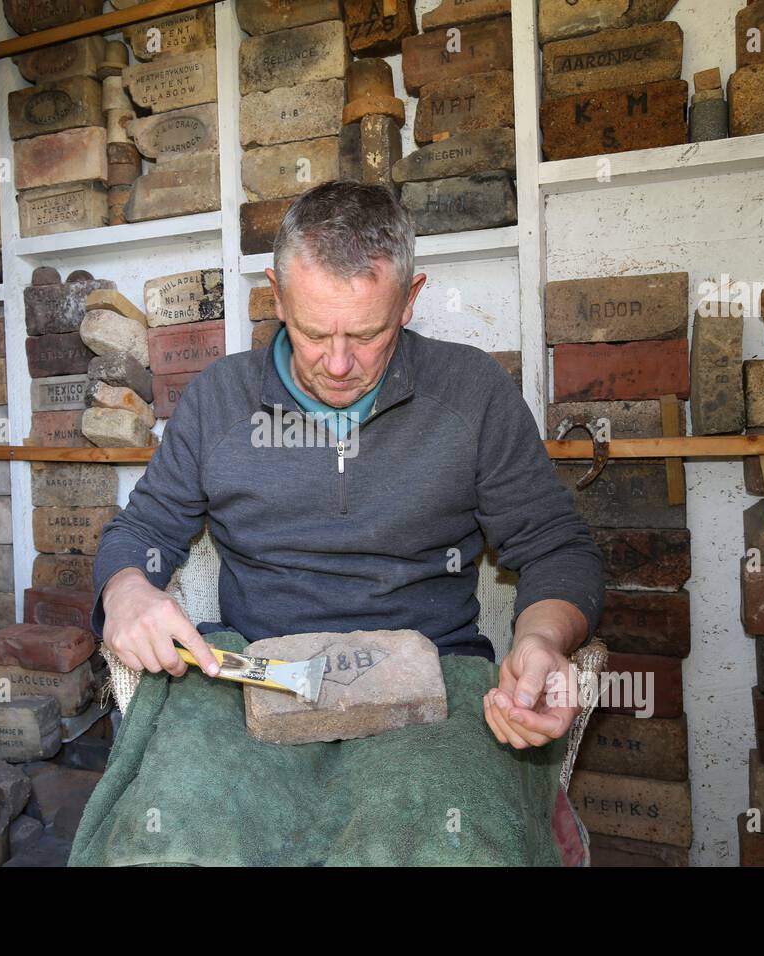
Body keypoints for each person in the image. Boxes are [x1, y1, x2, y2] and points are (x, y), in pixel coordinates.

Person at [92, 180, 605, 751]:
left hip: (433, 689)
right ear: (277, 297)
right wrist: (127, 591)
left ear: (410, 298)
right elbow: (142, 530)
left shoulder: (473, 392)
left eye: (368, 334)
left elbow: (556, 547)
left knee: (452, 841)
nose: (338, 365)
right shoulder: (218, 399)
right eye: (313, 332)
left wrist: (542, 639)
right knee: (177, 832)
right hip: (250, 682)